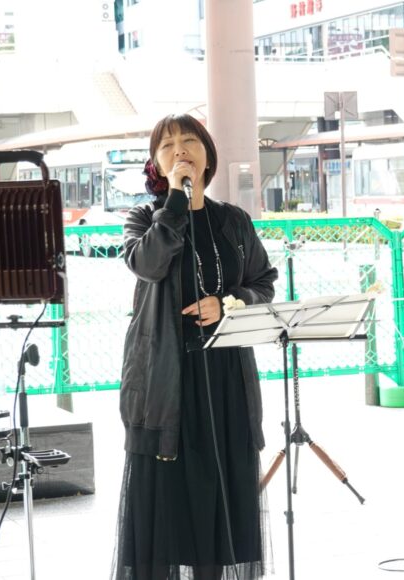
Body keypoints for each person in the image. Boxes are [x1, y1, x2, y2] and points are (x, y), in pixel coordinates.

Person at [112, 113, 278, 580]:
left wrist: (229, 302)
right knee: (166, 504)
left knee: (219, 502)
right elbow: (148, 264)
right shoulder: (143, 218)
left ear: (207, 154)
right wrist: (175, 203)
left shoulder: (233, 221)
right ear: (156, 163)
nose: (180, 149)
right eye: (167, 145)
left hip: (226, 380)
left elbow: (263, 282)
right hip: (163, 382)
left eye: (189, 140)